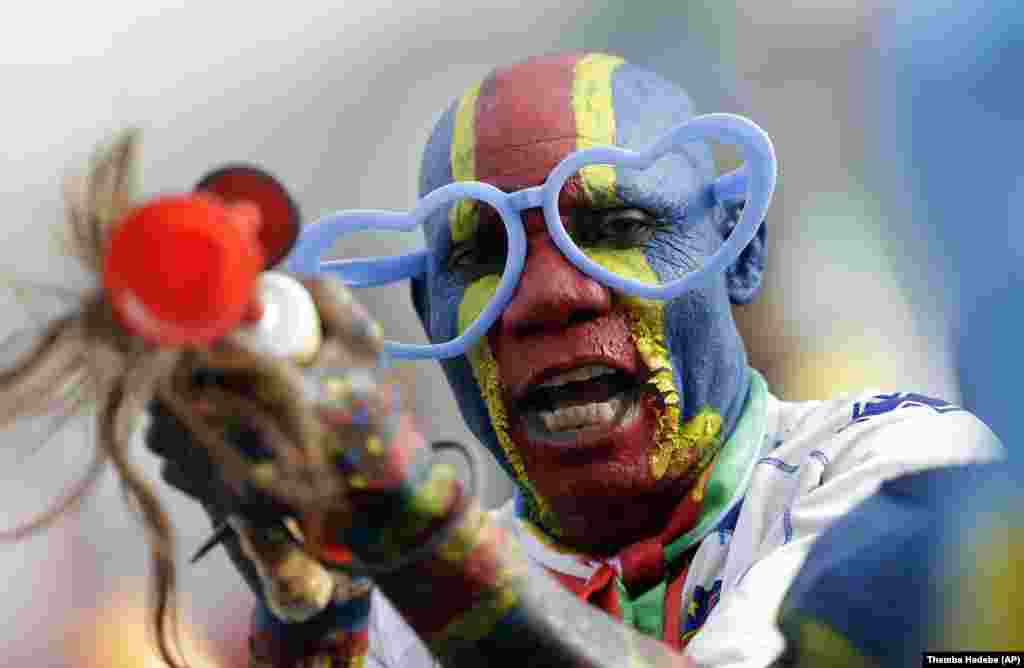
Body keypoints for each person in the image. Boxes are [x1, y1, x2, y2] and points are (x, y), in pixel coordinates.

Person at [146, 52, 1003, 667]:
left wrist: (401, 524)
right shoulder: (399, 619)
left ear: (741, 253)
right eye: (481, 256)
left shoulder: (903, 472)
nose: (549, 297)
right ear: (426, 312)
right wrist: (306, 606)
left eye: (617, 229)